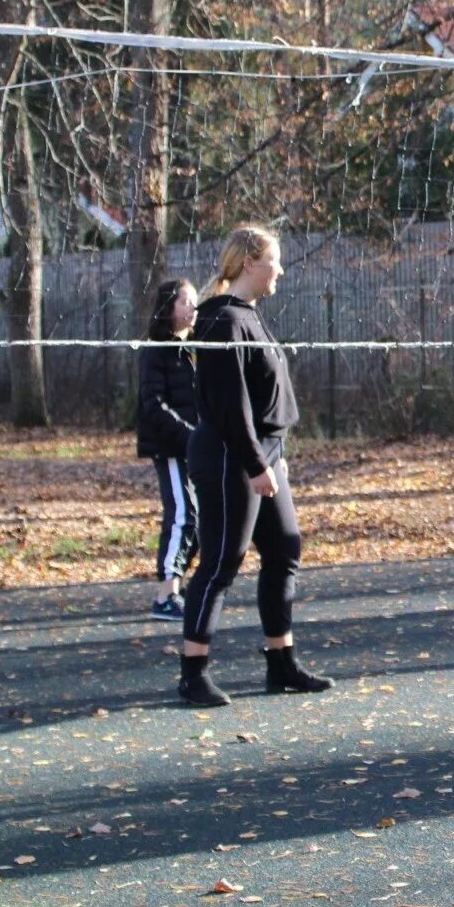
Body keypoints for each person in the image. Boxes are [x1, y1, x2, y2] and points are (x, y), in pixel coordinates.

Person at [178, 225, 334, 707]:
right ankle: (193, 673)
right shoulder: (222, 321)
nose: (280, 271)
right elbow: (230, 407)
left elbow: (265, 401)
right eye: (274, 261)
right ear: (249, 263)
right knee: (222, 560)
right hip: (230, 454)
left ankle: (280, 663)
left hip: (265, 452)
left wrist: (275, 458)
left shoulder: (248, 316)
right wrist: (253, 465)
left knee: (284, 546)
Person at [138, 278, 201, 621]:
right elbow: (154, 404)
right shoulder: (157, 350)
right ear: (168, 308)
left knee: (205, 520)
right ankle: (166, 595)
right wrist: (189, 436)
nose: (193, 309)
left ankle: (183, 583)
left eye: (194, 302)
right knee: (182, 514)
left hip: (196, 447)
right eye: (185, 302)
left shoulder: (193, 349)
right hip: (172, 447)